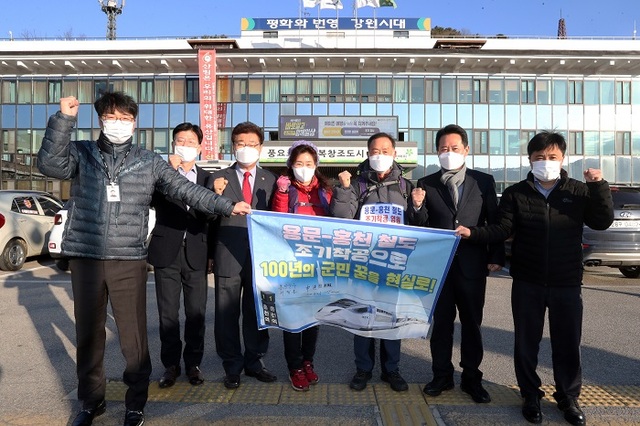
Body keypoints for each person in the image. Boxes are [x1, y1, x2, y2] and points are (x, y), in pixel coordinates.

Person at [37, 93, 250, 426]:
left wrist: (226, 205)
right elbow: (49, 165)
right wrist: (63, 120)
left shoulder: (148, 162)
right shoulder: (81, 153)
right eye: (111, 117)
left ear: (135, 123)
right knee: (89, 336)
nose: (117, 124)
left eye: (125, 118)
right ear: (100, 120)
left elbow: (185, 189)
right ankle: (91, 402)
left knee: (133, 338)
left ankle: (135, 403)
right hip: (87, 257)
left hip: (128, 259)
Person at [455, 131, 613, 426]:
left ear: (562, 159)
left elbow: (601, 221)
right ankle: (530, 394)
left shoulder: (578, 191)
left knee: (567, 342)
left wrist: (599, 186)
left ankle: (568, 397)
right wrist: (472, 232)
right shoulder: (517, 193)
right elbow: (502, 229)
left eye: (552, 157)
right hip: (527, 278)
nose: (546, 162)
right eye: (539, 157)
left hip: (566, 280)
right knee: (526, 342)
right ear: (530, 159)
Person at [411, 124, 504, 403]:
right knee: (441, 325)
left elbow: (494, 222)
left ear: (466, 149)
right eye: (443, 149)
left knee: (472, 324)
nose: (448, 153)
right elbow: (420, 227)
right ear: (436, 152)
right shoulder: (425, 183)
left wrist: (496, 255)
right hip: (439, 267)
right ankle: (441, 375)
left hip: (473, 264)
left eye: (454, 148)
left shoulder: (483, 182)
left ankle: (472, 378)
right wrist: (416, 207)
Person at [330, 132, 416, 392]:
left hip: (395, 263)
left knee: (391, 318)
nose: (380, 155)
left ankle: (392, 370)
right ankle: (363, 369)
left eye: (385, 150)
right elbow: (342, 217)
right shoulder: (357, 184)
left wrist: (419, 207)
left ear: (395, 154)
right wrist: (344, 190)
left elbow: (417, 223)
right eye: (375, 151)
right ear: (368, 154)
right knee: (362, 318)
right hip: (363, 263)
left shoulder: (407, 186)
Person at [211, 121, 277, 389]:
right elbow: (208, 219)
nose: (246, 149)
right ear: (233, 146)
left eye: (252, 145)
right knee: (226, 314)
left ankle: (255, 361)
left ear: (260, 148)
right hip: (227, 253)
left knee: (258, 310)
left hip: (261, 258)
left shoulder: (271, 179)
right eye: (241, 144)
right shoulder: (217, 177)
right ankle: (232, 364)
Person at [147, 122, 213, 389]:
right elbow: (151, 199)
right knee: (168, 314)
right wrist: (170, 172)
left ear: (200, 147)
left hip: (197, 251)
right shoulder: (160, 174)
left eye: (190, 142)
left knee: (196, 313)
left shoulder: (209, 178)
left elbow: (210, 215)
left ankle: (194, 364)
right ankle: (170, 365)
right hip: (167, 251)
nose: (184, 146)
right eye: (179, 141)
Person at [272, 140, 332, 391]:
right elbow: (277, 220)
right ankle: (294, 366)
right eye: (299, 164)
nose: (304, 168)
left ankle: (308, 361)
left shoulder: (326, 191)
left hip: (318, 265)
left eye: (309, 163)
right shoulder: (285, 188)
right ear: (290, 166)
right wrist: (282, 193)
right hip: (291, 265)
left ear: (316, 165)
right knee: (292, 317)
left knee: (313, 318)